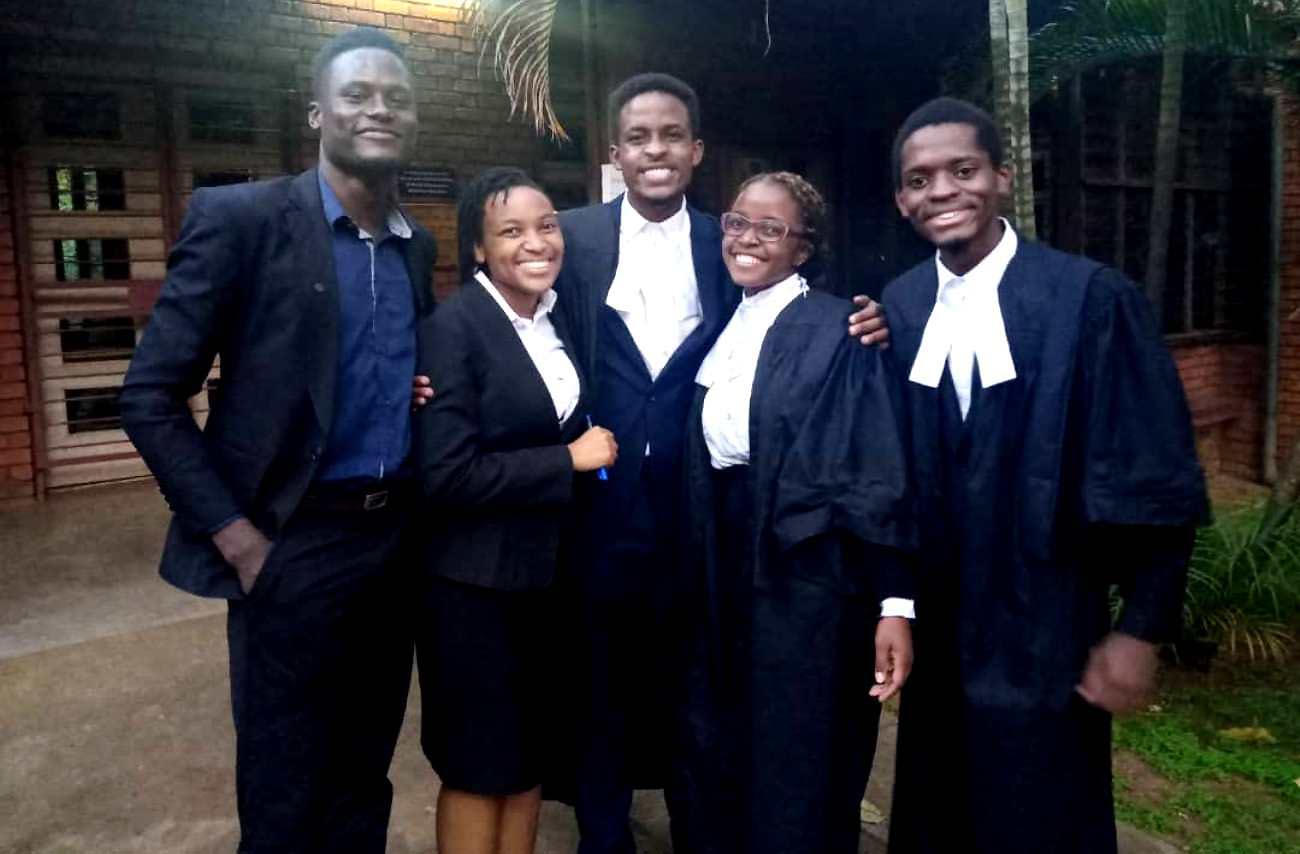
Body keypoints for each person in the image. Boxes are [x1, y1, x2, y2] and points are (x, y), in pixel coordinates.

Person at [551, 72, 890, 854]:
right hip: (599, 500)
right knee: (598, 675)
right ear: (615, 151)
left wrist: (869, 319)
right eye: (638, 137)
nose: (655, 150)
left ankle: (698, 823)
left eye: (671, 135)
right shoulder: (573, 237)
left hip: (698, 506)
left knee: (692, 679)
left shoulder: (725, 239)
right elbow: (518, 320)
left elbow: (788, 305)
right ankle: (604, 835)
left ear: (696, 151)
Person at [119, 28, 435, 854]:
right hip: (290, 540)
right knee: (285, 775)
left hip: (391, 538)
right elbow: (150, 394)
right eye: (358, 94)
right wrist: (237, 537)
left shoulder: (415, 244)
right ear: (315, 113)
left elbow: (380, 365)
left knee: (365, 766)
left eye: (395, 98)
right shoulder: (243, 220)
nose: (378, 109)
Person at [881, 97, 1209, 854]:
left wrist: (1141, 630)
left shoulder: (1089, 300)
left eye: (962, 170)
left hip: (1050, 623)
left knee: (1041, 817)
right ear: (902, 199)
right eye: (920, 179)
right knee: (939, 813)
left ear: (1001, 176)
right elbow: (887, 475)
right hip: (939, 630)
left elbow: (1154, 474)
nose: (942, 191)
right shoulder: (898, 307)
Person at [674, 172, 916, 854]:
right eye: (738, 222)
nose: (748, 237)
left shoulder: (838, 330)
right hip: (721, 553)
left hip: (804, 573)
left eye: (770, 228)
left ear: (802, 248)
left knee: (796, 741)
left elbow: (875, 468)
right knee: (716, 727)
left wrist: (894, 599)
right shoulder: (725, 321)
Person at [413, 167, 617, 854]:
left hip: (548, 581)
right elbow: (446, 475)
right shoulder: (454, 328)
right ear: (477, 249)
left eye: (547, 225)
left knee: (530, 756)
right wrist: (568, 460)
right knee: (478, 766)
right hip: (474, 591)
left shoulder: (556, 318)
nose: (536, 242)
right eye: (511, 231)